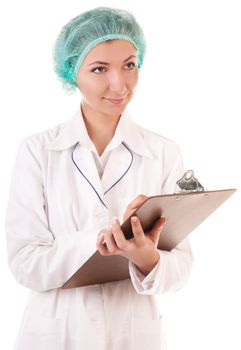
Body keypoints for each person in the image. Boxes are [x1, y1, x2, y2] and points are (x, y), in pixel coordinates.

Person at [5, 6, 193, 350]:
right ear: (72, 72)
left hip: (134, 335)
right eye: (99, 69)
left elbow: (180, 267)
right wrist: (103, 241)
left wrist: (146, 258)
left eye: (129, 65)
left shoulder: (163, 152)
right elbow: (24, 263)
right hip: (54, 334)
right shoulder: (38, 151)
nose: (119, 84)